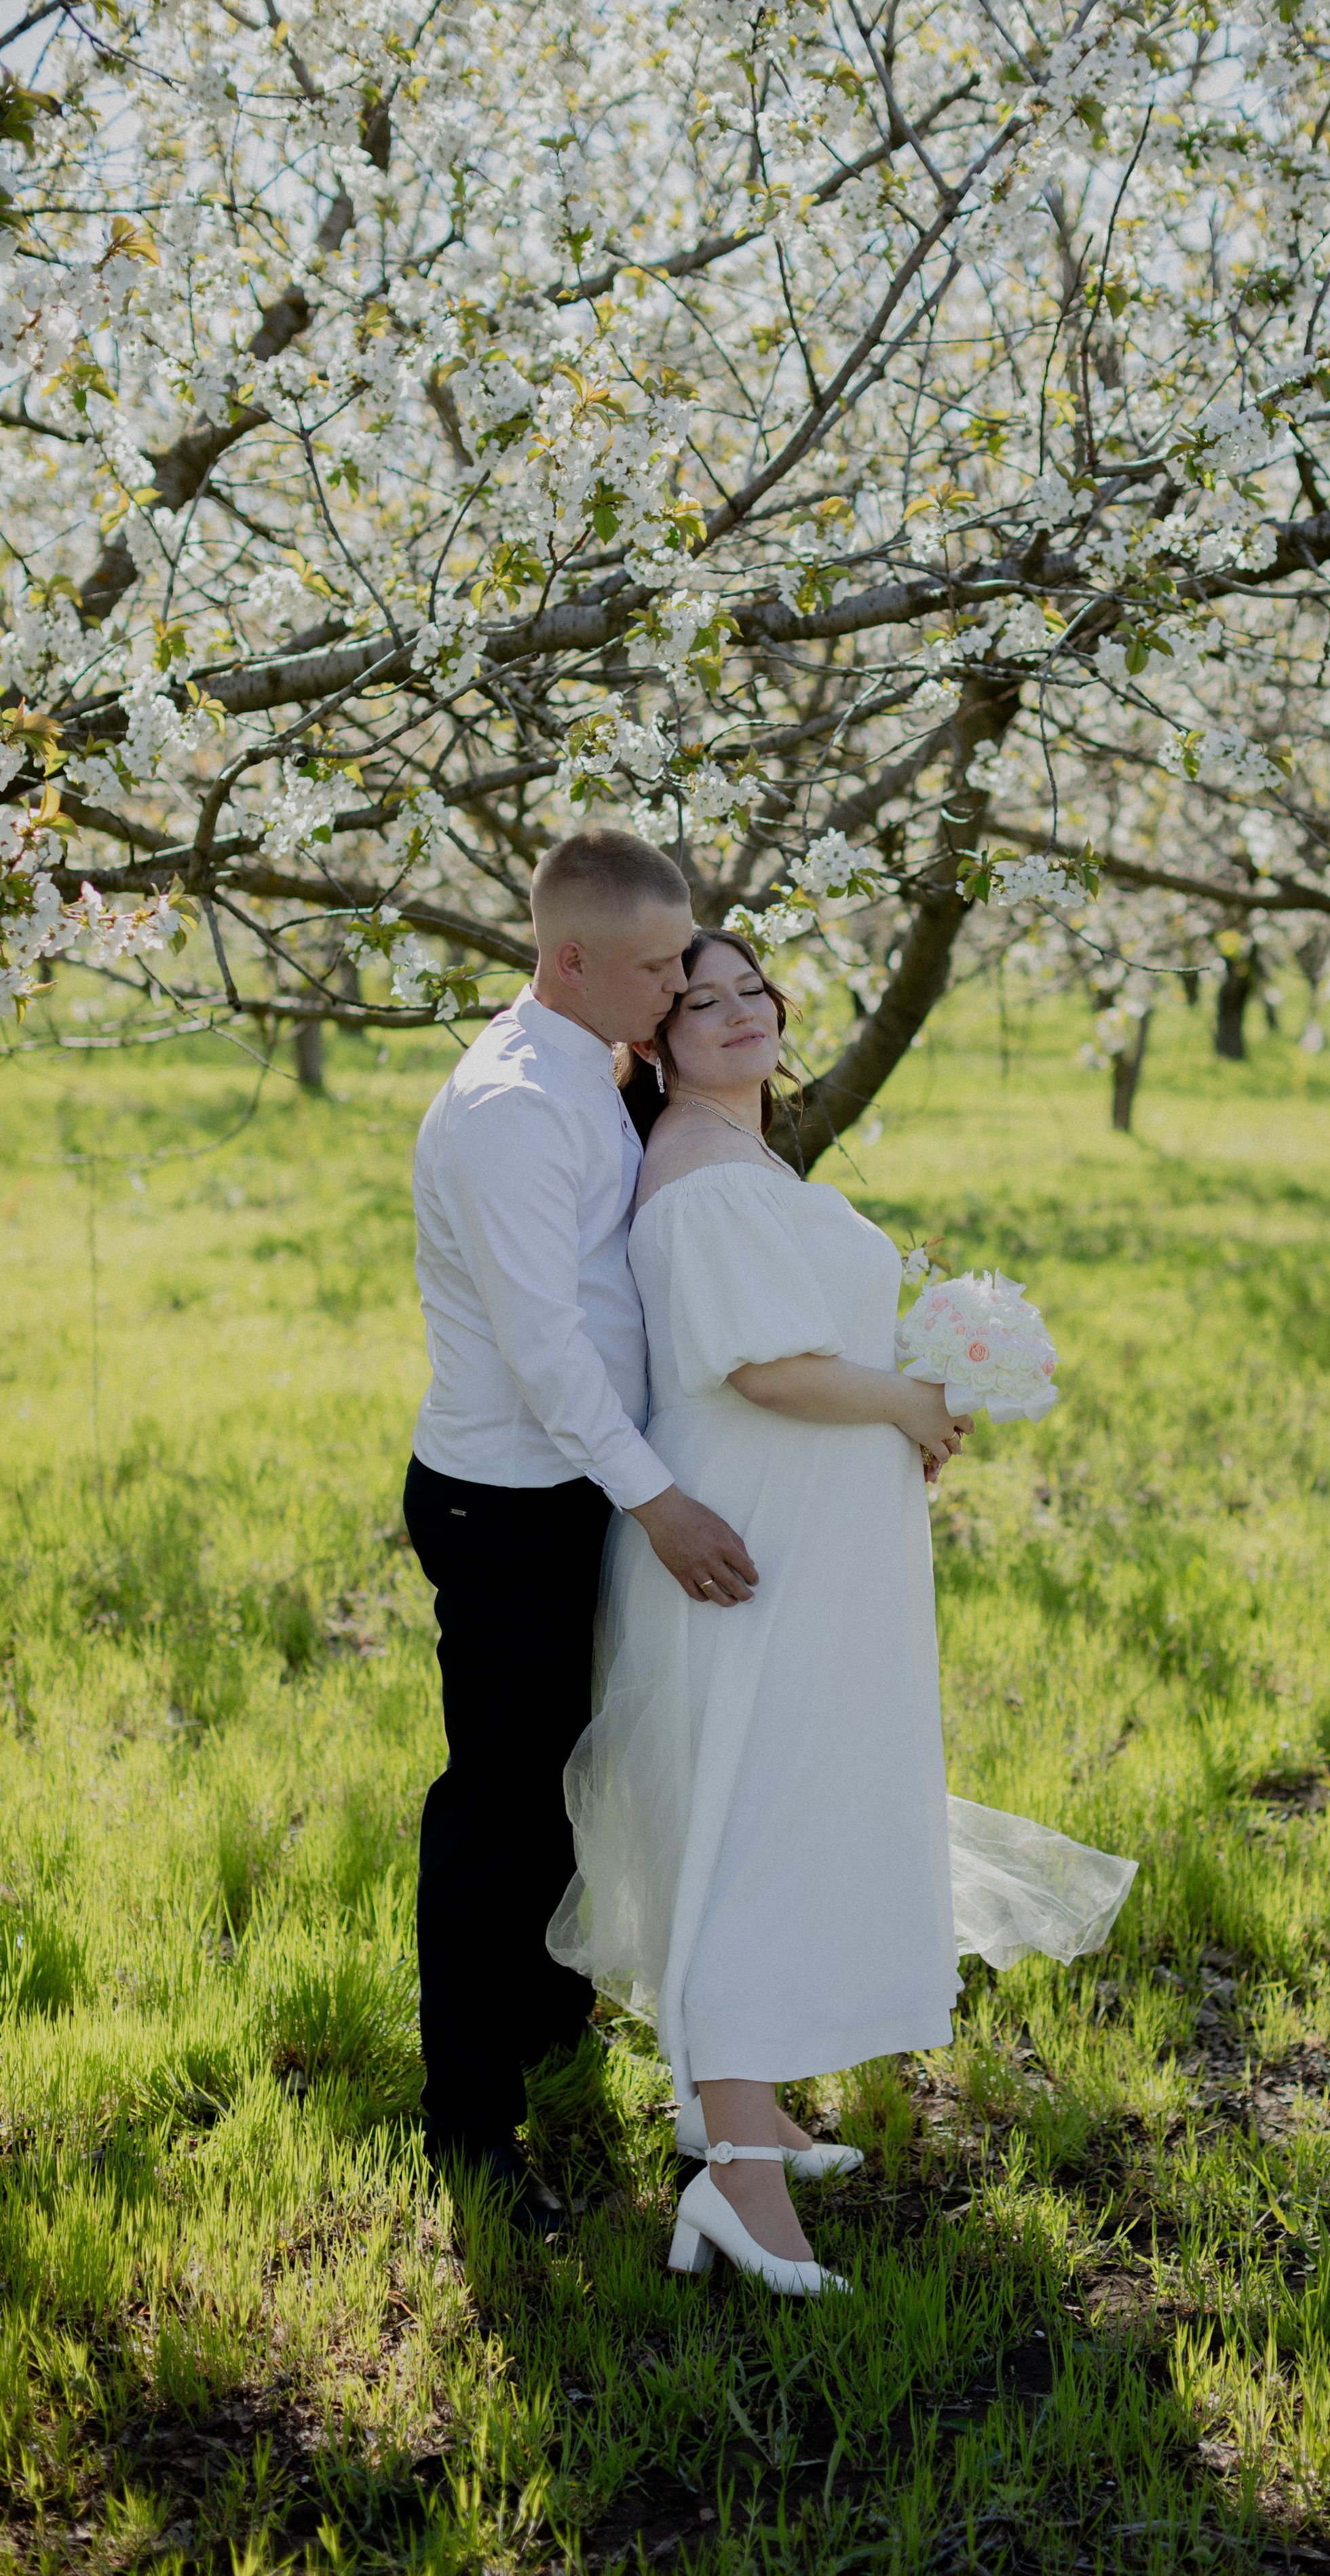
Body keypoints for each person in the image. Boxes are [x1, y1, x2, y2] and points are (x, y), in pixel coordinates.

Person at [547, 931, 1136, 2296]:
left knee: (782, 1800)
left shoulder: (742, 1153)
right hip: (757, 1530)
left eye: (752, 989)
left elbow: (807, 1348)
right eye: (700, 1001)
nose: (737, 1013)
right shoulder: (696, 1172)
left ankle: (742, 2111)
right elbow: (764, 1370)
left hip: (811, 1528)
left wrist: (904, 1409)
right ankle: (735, 2184)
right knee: (753, 1818)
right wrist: (909, 1402)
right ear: (657, 1040)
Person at [404, 833, 757, 2237]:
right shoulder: (509, 1108)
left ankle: (549, 2027)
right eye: (660, 964)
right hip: (508, 1501)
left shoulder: (588, 1067)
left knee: (567, 1778)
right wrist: (659, 1501)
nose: (679, 984)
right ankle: (468, 2124)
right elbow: (545, 1354)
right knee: (493, 1809)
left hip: (579, 1487)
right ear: (570, 960)